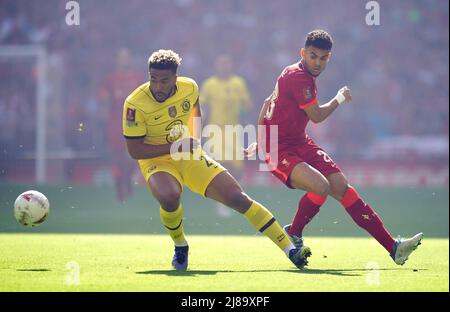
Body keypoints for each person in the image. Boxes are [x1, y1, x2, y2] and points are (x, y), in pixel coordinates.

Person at [245, 30, 422, 266]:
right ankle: (294, 232)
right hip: (278, 148)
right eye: (313, 56)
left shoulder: (293, 72)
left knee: (342, 187)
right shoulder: (299, 78)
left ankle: (394, 248)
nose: (317, 62)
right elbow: (316, 116)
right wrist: (338, 98)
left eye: (323, 57)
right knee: (321, 187)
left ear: (329, 57)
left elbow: (269, 104)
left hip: (298, 141)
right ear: (303, 53)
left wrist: (261, 133)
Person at [122, 49, 310, 271]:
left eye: (164, 81)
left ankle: (291, 251)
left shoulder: (189, 87)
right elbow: (135, 150)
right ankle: (180, 245)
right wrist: (175, 146)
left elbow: (194, 109)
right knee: (170, 196)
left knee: (238, 198)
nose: (158, 87)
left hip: (188, 154)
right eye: (153, 80)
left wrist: (193, 136)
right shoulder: (134, 103)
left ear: (175, 77)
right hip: (156, 159)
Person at [200, 54, 253, 217]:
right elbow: (201, 106)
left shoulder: (238, 83)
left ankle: (236, 199)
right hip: (215, 130)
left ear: (231, 65)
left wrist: (242, 111)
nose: (224, 66)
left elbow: (247, 105)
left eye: (227, 63)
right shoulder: (209, 84)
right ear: (216, 66)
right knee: (220, 166)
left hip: (234, 130)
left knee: (236, 169)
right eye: (221, 64)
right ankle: (222, 203)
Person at [98, 48, 143, 203]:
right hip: (115, 122)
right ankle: (120, 193)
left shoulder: (137, 77)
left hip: (133, 121)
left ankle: (129, 181)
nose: (124, 60)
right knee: (117, 158)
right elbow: (103, 96)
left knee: (133, 157)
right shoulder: (111, 79)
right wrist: (104, 105)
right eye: (121, 57)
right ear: (117, 60)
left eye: (127, 57)